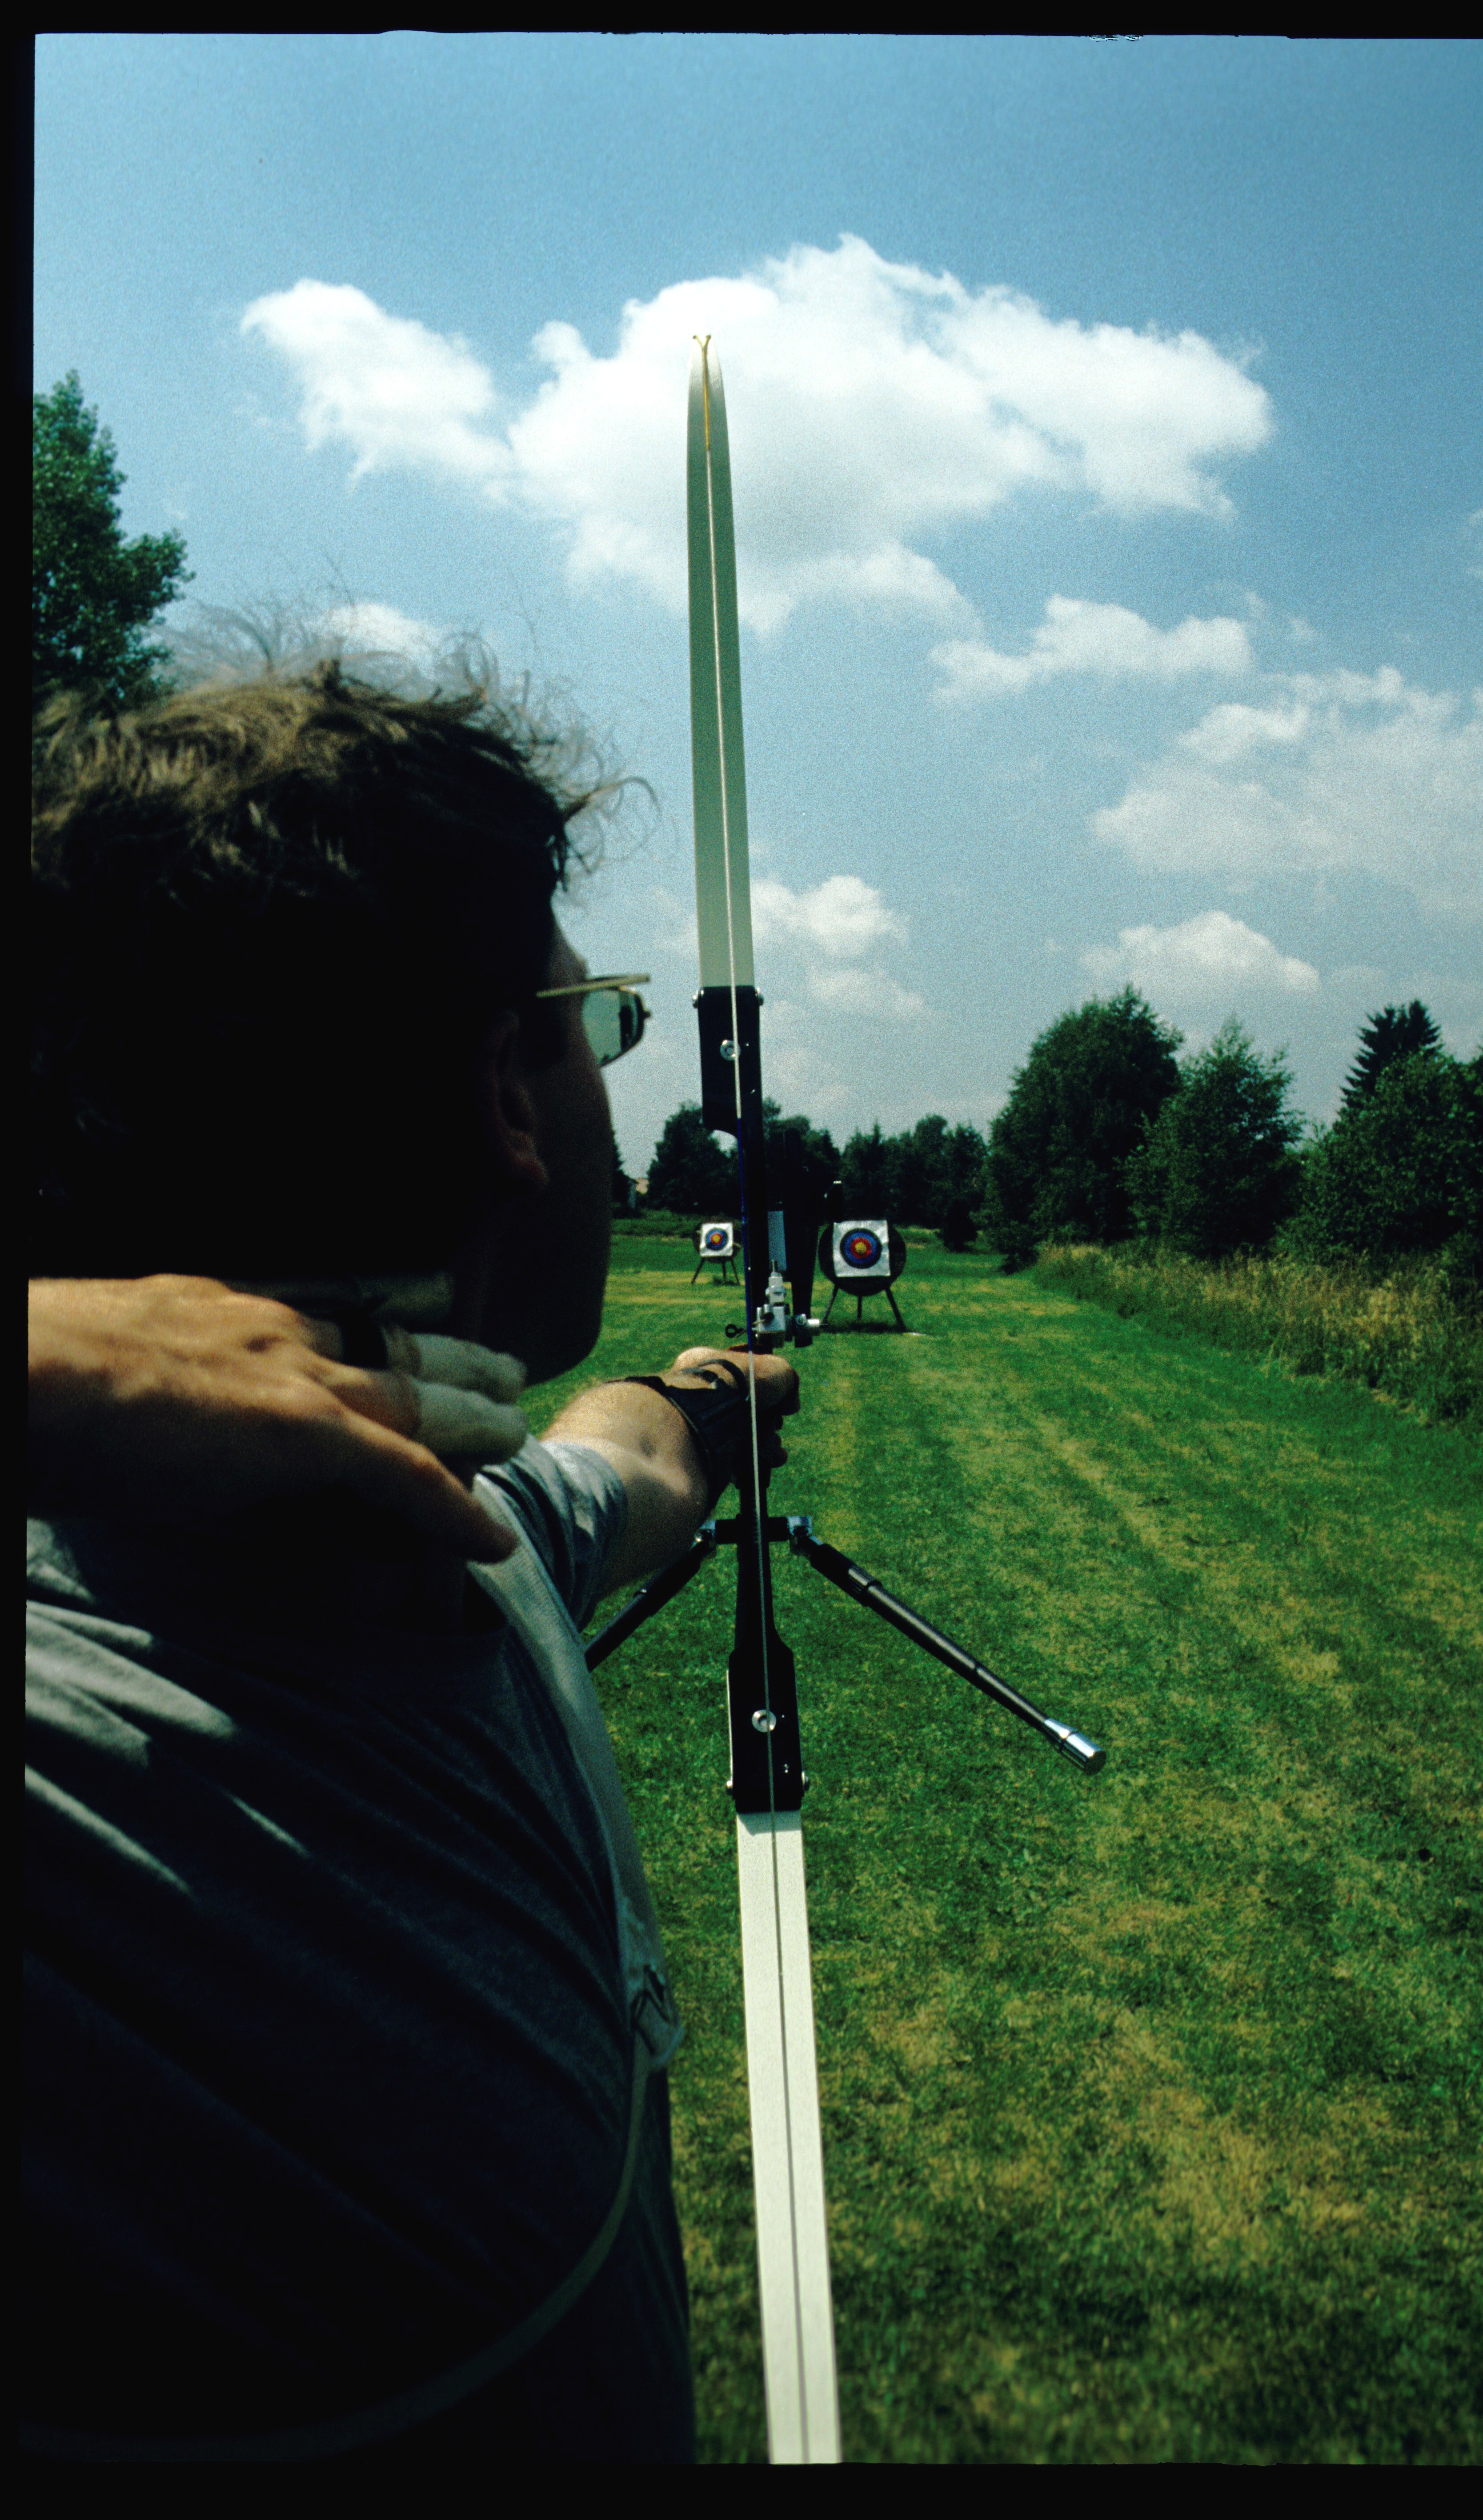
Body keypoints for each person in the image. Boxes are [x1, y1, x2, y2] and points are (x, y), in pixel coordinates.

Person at [26, 663, 796, 2463]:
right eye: (588, 1024)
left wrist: (716, 1394)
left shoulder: (484, 1528)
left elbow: (629, 1462)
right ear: (505, 1090)